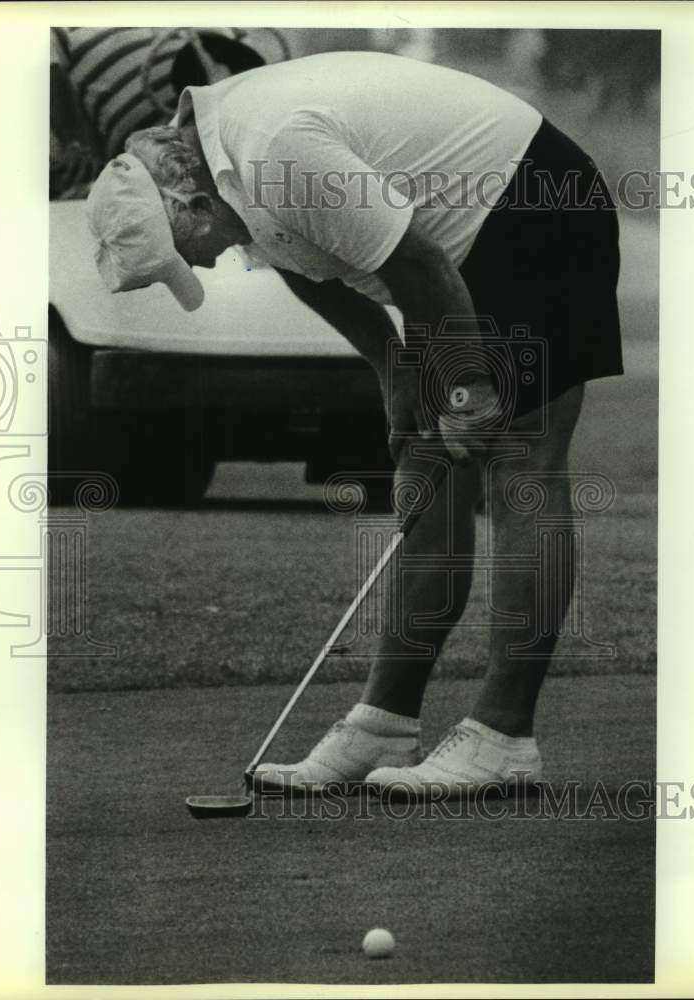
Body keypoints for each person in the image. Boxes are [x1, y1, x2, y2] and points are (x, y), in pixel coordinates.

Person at [86, 51, 622, 800]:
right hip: (459, 243)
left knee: (517, 461)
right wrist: (389, 364)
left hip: (534, 207)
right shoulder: (223, 166)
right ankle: (384, 719)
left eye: (188, 255)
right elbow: (308, 266)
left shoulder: (275, 153)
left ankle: (504, 735)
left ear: (192, 208)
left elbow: (421, 269)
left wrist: (463, 388)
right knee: (418, 457)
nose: (203, 267)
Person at [50, 26, 265, 198]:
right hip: (150, 157)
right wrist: (74, 147)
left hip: (226, 128)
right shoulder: (62, 28)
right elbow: (52, 78)